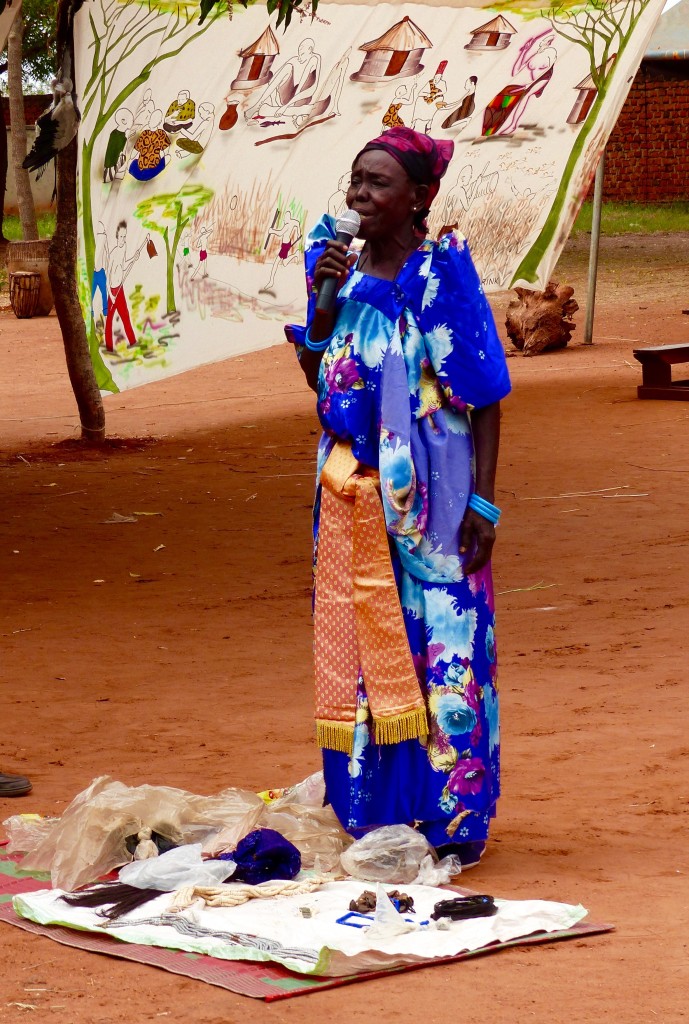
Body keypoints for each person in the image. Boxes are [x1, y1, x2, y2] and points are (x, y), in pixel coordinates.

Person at [286, 127, 510, 868]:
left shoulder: (439, 277)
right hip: (349, 494)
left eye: (377, 183)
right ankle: (373, 814)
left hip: (436, 500)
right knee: (362, 651)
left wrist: (482, 505)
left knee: (439, 647)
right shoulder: (335, 267)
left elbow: (483, 399)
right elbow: (320, 373)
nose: (359, 195)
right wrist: (321, 308)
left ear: (419, 197)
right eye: (355, 180)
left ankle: (448, 819)